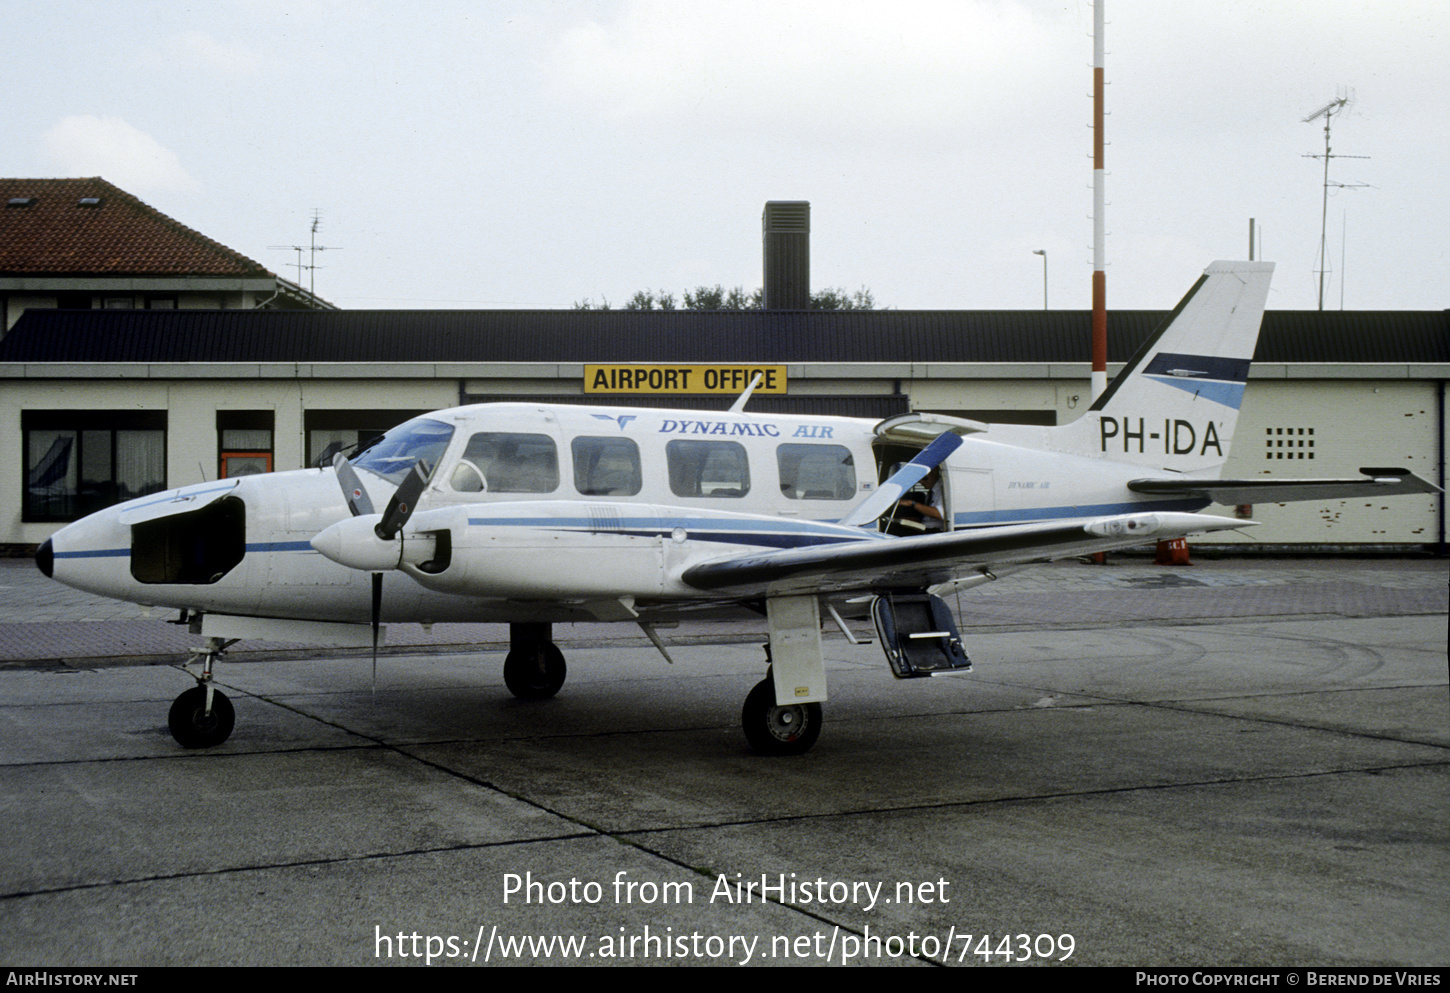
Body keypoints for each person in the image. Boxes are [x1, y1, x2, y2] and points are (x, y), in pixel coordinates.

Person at [896, 466, 945, 532]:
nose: (921, 482)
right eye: (919, 480)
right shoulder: (931, 492)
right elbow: (929, 518)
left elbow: (939, 514)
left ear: (935, 473)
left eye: (925, 478)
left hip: (934, 531)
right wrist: (912, 521)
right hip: (926, 527)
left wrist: (912, 503)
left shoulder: (943, 490)